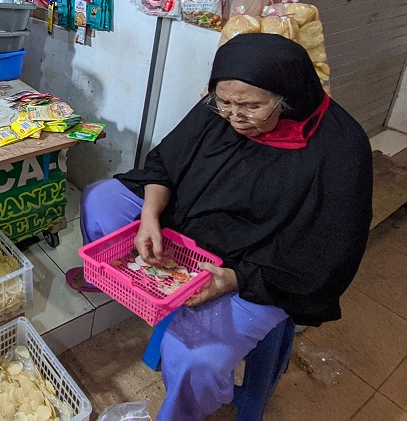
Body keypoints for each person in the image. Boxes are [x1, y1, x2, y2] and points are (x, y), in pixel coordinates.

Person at [67, 33, 373, 421]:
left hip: (258, 268)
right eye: (224, 102)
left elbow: (323, 258)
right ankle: (108, 280)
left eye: (250, 107)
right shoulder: (221, 110)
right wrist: (150, 216)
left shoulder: (340, 149)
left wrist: (231, 280)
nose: (234, 116)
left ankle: (182, 413)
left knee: (194, 358)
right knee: (101, 199)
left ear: (288, 97)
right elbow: (164, 164)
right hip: (189, 223)